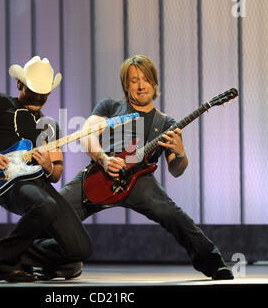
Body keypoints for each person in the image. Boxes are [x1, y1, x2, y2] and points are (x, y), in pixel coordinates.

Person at [60, 54, 234, 280]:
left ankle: (213, 263)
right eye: (134, 80)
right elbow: (86, 135)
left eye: (146, 79)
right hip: (101, 172)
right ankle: (42, 260)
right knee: (53, 210)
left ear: (154, 83)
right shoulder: (110, 106)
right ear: (126, 84)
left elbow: (176, 170)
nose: (141, 85)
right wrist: (102, 158)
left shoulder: (166, 124)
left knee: (173, 215)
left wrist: (180, 152)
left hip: (139, 181)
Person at [0, 56, 92, 282]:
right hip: (6, 180)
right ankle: (2, 263)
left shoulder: (49, 126)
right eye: (33, 91)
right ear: (19, 84)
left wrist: (48, 165)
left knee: (81, 250)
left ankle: (21, 257)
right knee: (44, 205)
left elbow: (56, 174)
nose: (38, 98)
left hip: (39, 184)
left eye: (43, 94)